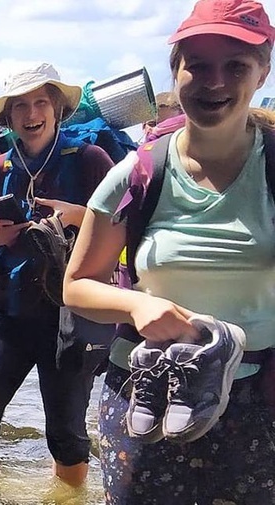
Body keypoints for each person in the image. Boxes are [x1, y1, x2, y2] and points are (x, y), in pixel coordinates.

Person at [63, 0, 275, 502]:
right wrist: (139, 304)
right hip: (146, 387)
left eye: (235, 66)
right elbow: (76, 284)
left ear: (263, 71)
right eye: (197, 66)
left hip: (260, 396)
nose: (214, 82)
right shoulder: (138, 173)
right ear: (175, 71)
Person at [0, 63, 114, 503]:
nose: (31, 113)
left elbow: (122, 232)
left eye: (41, 102)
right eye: (20, 105)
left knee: (66, 434)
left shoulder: (90, 161)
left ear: (57, 108)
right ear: (8, 118)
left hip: (69, 319)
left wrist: (75, 214)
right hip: (5, 313)